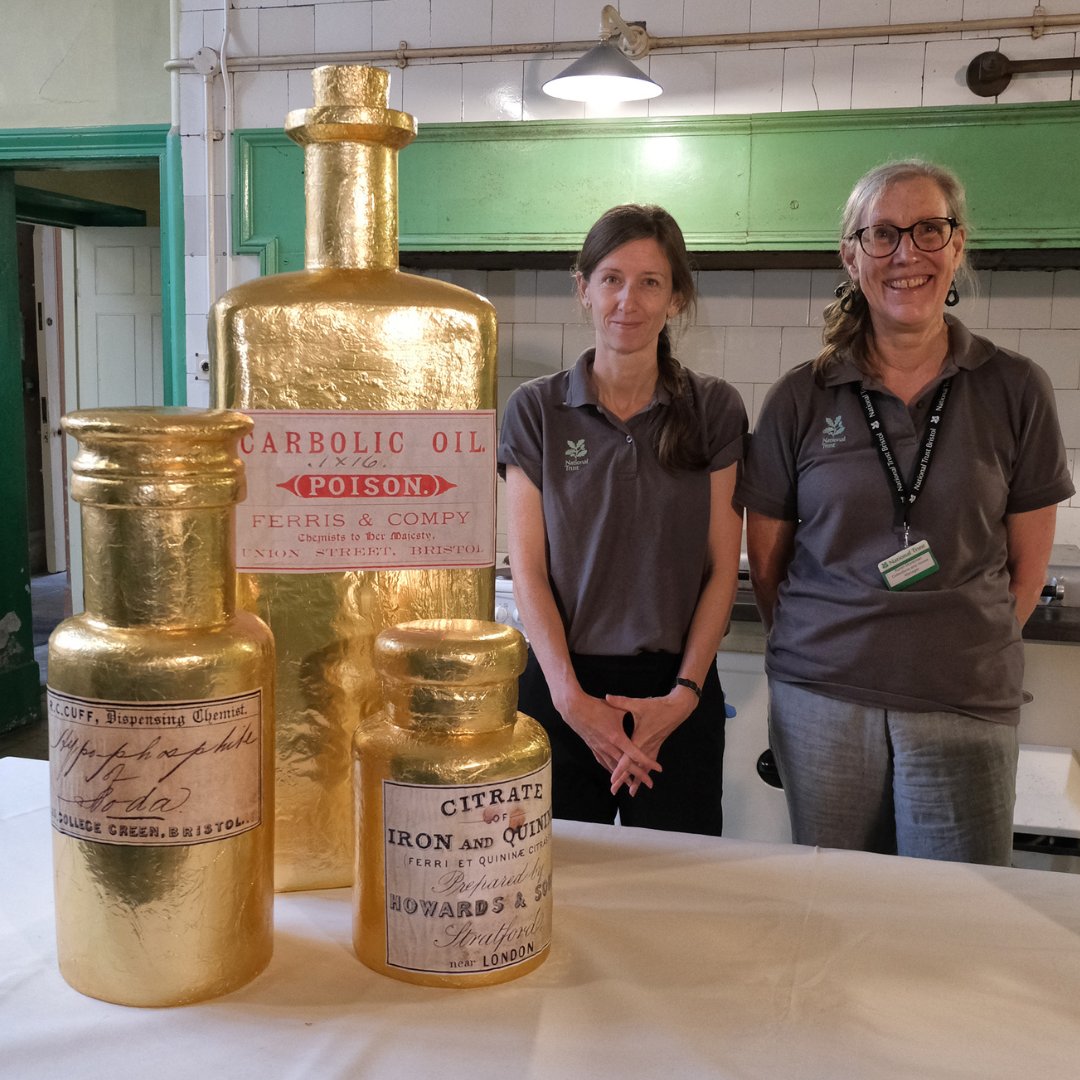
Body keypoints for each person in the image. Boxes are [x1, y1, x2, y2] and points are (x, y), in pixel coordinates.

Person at [738, 159, 1074, 866]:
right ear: (852, 256)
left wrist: (961, 650)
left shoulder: (1015, 387)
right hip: (822, 698)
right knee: (829, 909)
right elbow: (768, 561)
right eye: (883, 234)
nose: (906, 254)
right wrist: (821, 644)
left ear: (957, 247)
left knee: (949, 925)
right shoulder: (801, 397)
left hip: (964, 704)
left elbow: (1026, 566)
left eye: (928, 230)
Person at [498, 204, 747, 835]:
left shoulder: (715, 409)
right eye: (610, 278)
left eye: (650, 282)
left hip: (675, 693)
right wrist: (571, 700)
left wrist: (682, 698)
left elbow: (722, 569)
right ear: (582, 288)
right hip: (562, 686)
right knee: (556, 884)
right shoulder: (536, 410)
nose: (627, 301)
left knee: (672, 888)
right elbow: (527, 567)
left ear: (676, 298)